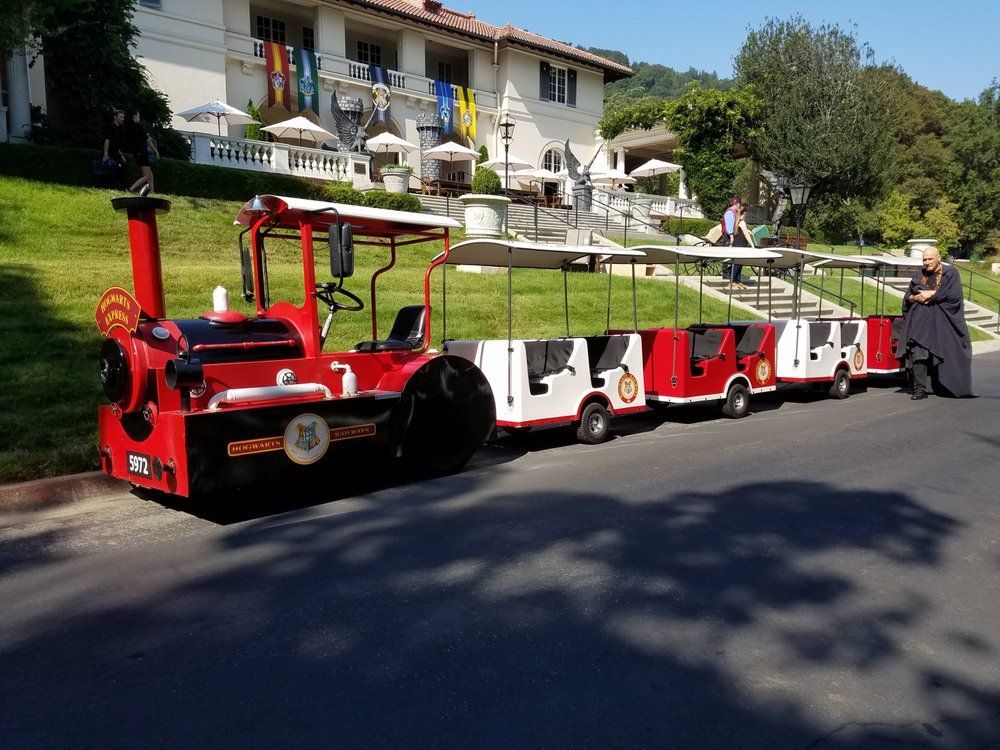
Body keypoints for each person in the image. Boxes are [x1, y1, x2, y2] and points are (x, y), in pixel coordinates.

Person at [895, 247, 973, 399]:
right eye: (924, 259)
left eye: (930, 259)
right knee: (918, 353)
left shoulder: (950, 273)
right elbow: (909, 295)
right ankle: (920, 389)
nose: (927, 262)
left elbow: (953, 297)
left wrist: (931, 294)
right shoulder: (919, 274)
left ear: (939, 258)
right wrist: (916, 297)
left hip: (942, 323)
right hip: (919, 322)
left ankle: (942, 385)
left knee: (944, 351)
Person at [126, 111, 158, 196]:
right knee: (147, 176)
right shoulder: (139, 127)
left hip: (136, 153)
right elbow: (148, 140)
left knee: (151, 174)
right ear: (134, 116)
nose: (139, 118)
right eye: (138, 116)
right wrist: (155, 151)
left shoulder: (129, 127)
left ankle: (152, 192)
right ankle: (130, 189)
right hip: (142, 152)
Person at [721, 198, 747, 288]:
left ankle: (733, 277)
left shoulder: (734, 212)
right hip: (729, 235)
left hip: (732, 235)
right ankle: (726, 274)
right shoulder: (730, 212)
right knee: (728, 254)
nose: (740, 206)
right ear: (738, 204)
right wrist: (731, 236)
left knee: (731, 255)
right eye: (739, 204)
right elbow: (729, 226)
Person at [101, 109, 127, 188]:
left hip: (116, 152)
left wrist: (121, 155)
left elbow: (117, 145)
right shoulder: (110, 127)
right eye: (121, 117)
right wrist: (105, 154)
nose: (123, 119)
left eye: (123, 117)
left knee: (122, 167)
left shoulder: (121, 130)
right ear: (115, 117)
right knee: (110, 170)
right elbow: (107, 140)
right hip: (110, 152)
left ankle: (118, 186)